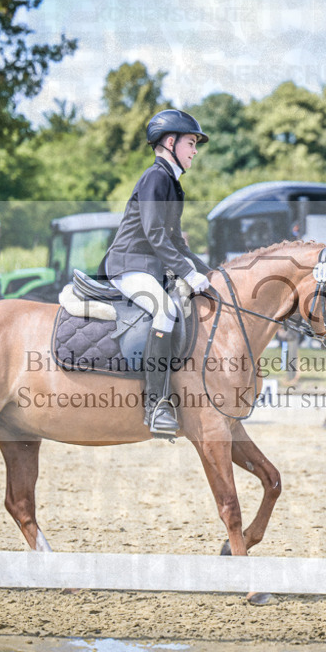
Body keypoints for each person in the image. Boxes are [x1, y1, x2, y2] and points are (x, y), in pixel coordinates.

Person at [99, 109, 213, 436]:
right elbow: (155, 234)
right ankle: (156, 404)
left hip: (149, 268)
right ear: (170, 141)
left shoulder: (173, 185)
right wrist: (187, 274)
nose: (194, 150)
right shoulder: (156, 177)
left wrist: (208, 273)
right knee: (164, 312)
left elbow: (176, 240)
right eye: (191, 143)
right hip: (129, 264)